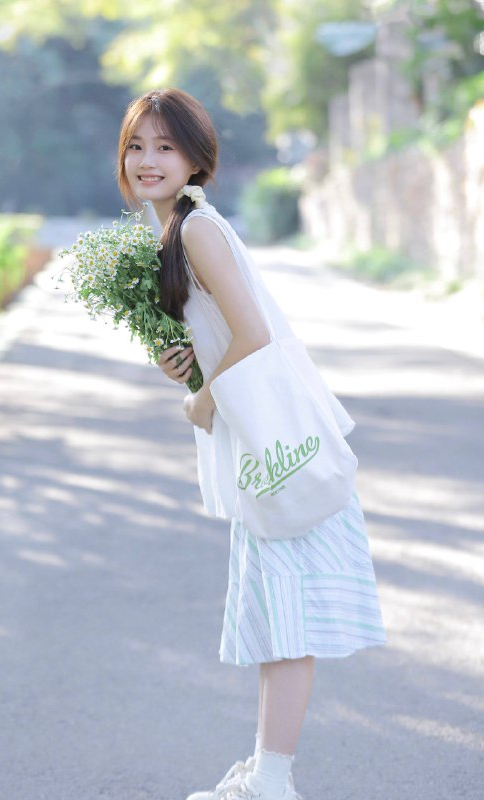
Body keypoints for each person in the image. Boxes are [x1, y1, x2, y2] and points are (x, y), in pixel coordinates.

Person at [117, 88, 386, 800]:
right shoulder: (177, 231)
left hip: (279, 449)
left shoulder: (195, 231)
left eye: (164, 146)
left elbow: (255, 335)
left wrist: (200, 400)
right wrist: (185, 365)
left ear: (195, 158)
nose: (147, 160)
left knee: (287, 620)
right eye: (136, 146)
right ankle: (267, 773)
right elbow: (227, 334)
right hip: (264, 446)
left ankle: (272, 779)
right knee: (277, 618)